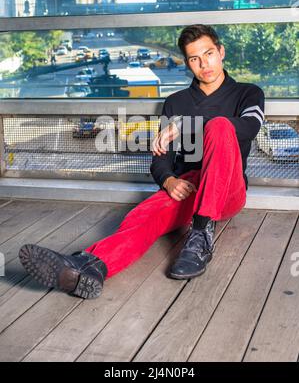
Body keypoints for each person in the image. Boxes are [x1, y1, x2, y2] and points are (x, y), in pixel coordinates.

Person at [19, 24, 265, 299]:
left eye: (208, 54)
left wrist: (186, 125)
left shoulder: (248, 93)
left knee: (220, 127)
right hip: (189, 186)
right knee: (143, 215)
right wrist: (169, 180)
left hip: (227, 189)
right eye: (194, 59)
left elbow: (249, 127)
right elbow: (160, 160)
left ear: (221, 52)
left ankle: (200, 236)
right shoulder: (176, 102)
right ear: (187, 64)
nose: (203, 64)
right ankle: (90, 266)